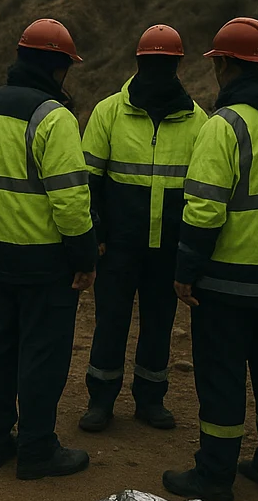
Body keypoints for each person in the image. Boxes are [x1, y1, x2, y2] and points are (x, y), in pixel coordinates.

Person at [162, 17, 258, 501]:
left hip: (228, 279)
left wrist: (186, 271)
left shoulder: (225, 125)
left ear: (225, 64)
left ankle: (214, 475)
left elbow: (204, 209)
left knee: (222, 376)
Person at [0, 19, 98, 480]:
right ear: (59, 67)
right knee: (43, 354)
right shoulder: (53, 117)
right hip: (45, 261)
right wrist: (84, 258)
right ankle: (37, 450)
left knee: (1, 349)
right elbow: (71, 201)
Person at [79, 25, 207, 432]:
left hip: (167, 248)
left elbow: (203, 189)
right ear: (139, 62)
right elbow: (88, 181)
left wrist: (189, 247)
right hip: (118, 246)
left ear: (177, 65)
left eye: (165, 63)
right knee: (110, 323)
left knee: (159, 326)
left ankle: (151, 400)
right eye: (152, 62)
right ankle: (100, 401)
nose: (158, 70)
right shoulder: (109, 112)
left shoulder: (198, 120)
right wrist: (96, 233)